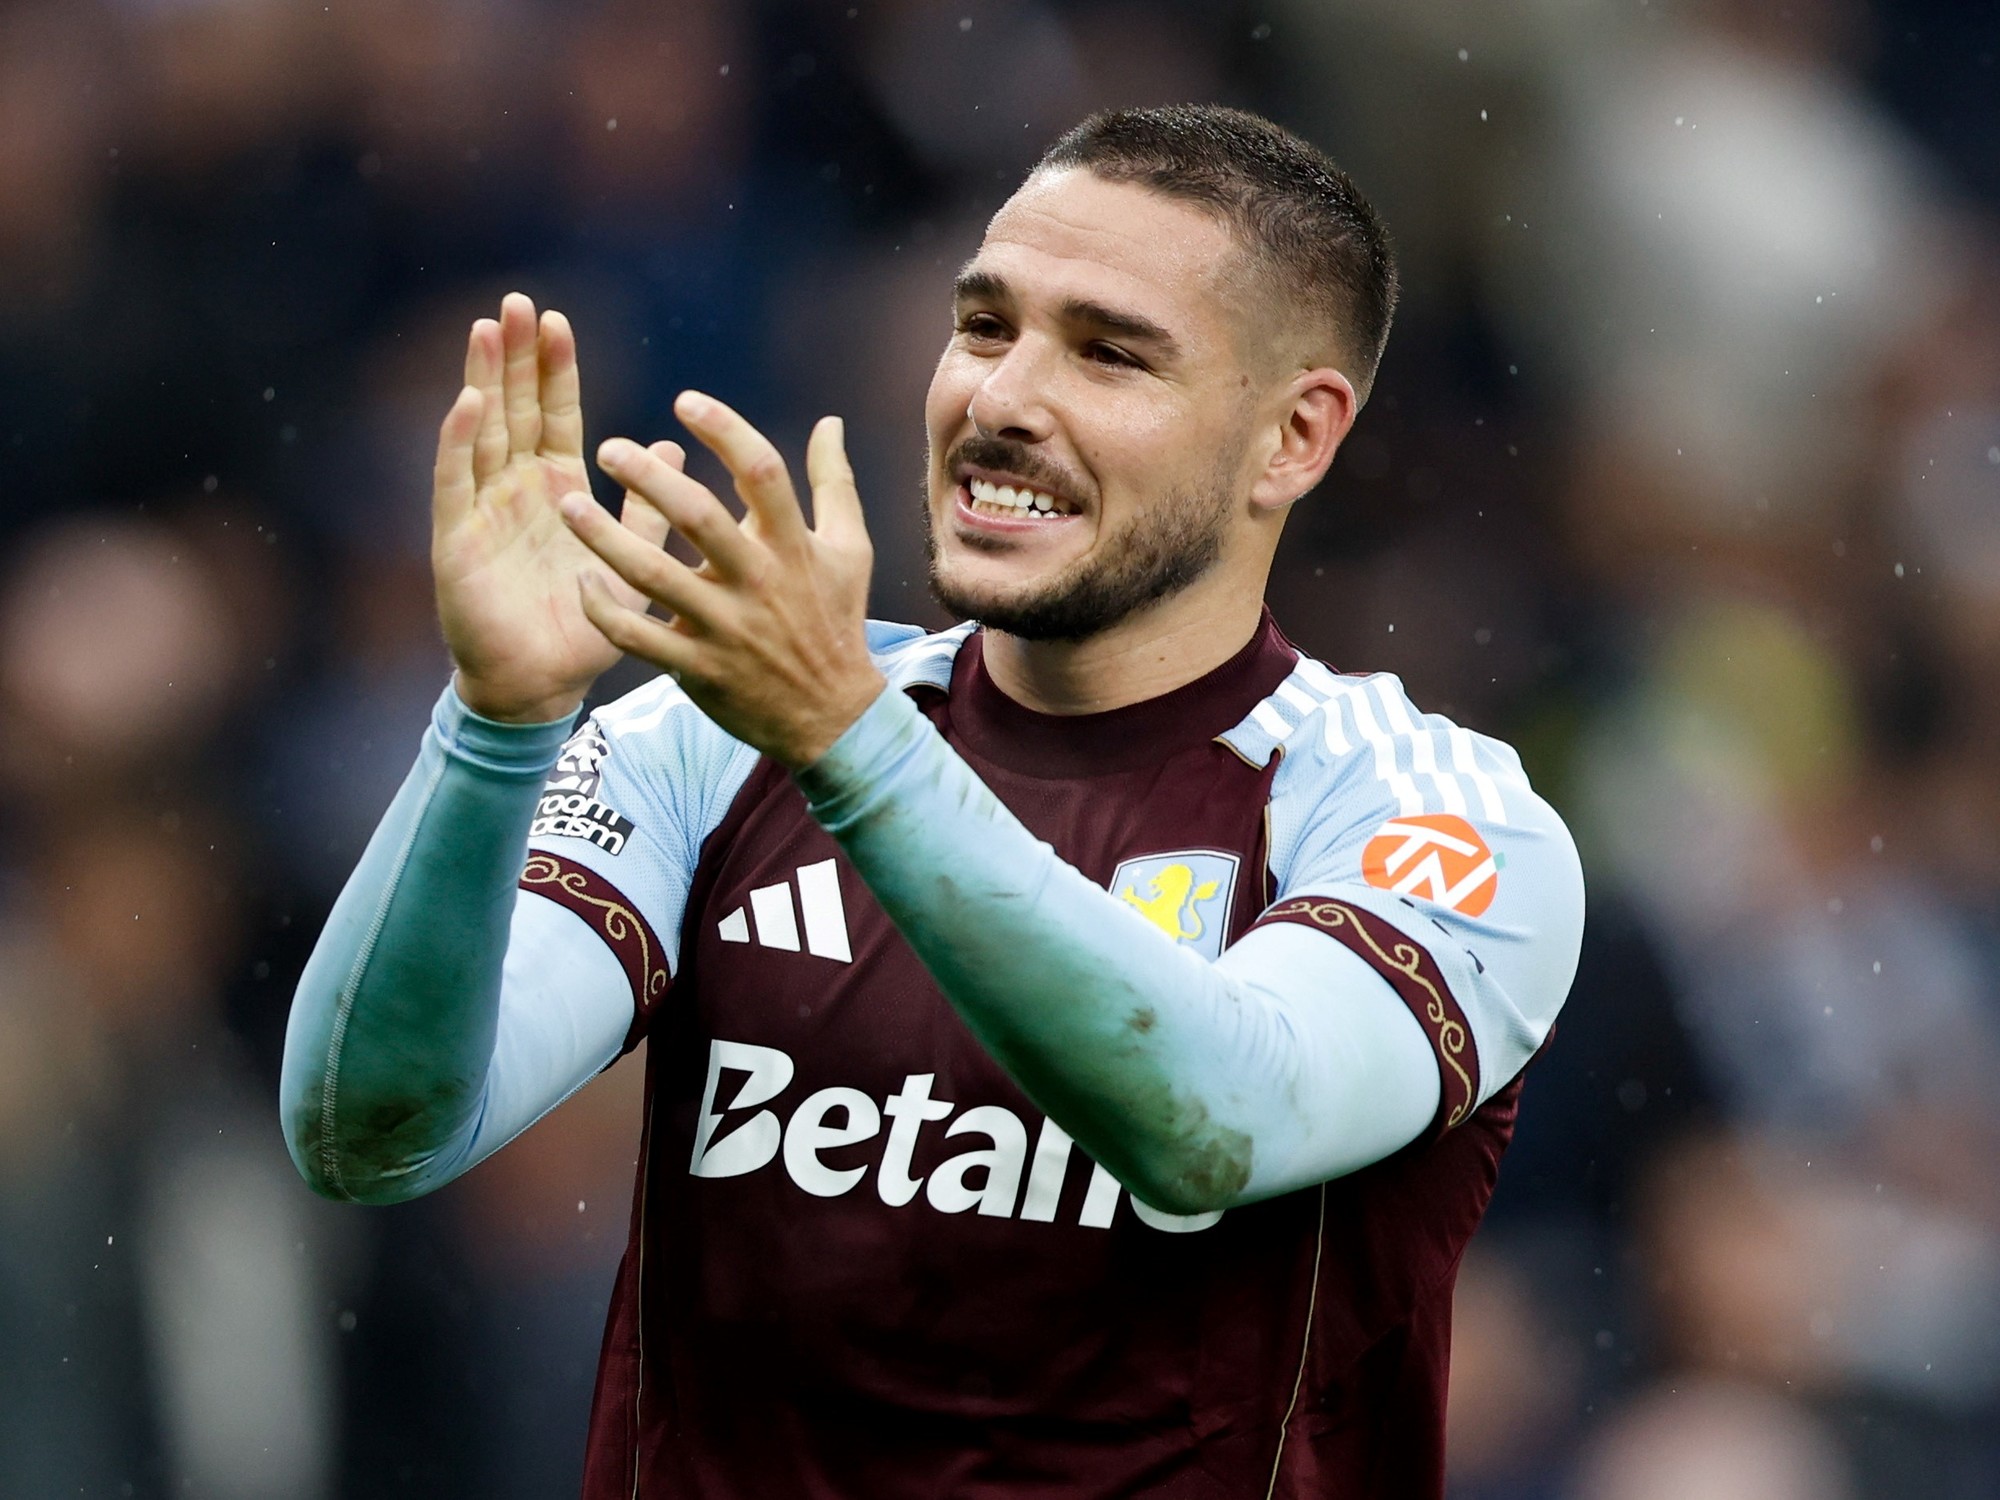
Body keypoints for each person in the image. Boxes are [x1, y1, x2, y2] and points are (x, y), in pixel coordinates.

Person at [282, 105, 1584, 1498]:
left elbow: (1215, 1122)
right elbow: (373, 1134)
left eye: (1109, 352)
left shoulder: (1426, 813)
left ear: (1294, 438)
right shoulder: (711, 742)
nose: (1003, 399)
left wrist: (848, 746)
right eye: (984, 326)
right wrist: (499, 724)